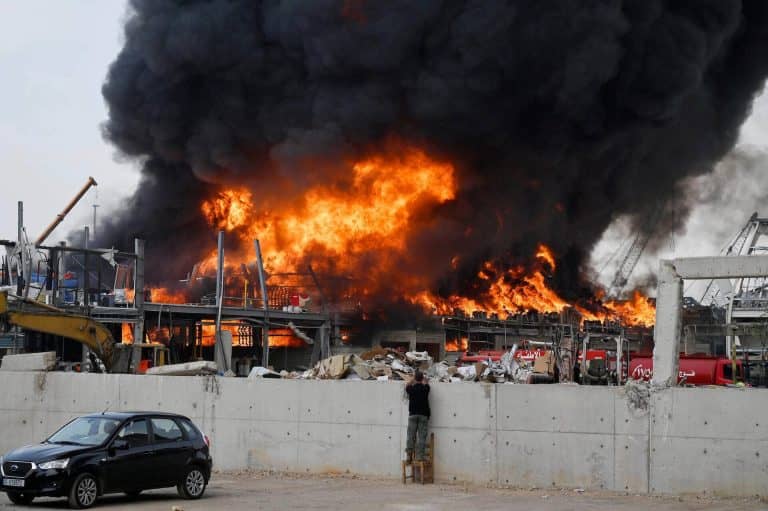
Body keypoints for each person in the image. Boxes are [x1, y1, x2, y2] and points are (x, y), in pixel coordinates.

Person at [404, 369, 430, 462]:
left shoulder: (411, 389)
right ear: (422, 378)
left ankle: (408, 456)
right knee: (421, 437)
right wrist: (425, 380)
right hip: (423, 415)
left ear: (415, 378)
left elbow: (407, 386)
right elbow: (426, 383)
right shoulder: (425, 389)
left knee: (410, 436)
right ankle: (420, 457)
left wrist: (412, 380)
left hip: (413, 415)